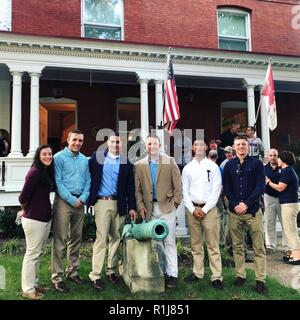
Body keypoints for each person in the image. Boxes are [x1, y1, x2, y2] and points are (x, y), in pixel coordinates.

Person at [86, 134, 136, 290]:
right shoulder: (96, 158)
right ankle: (95, 275)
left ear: (122, 145)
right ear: (107, 143)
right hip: (102, 202)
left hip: (120, 204)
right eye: (113, 142)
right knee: (101, 239)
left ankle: (111, 270)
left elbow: (130, 187)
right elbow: (86, 174)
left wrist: (132, 206)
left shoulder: (126, 163)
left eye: (118, 142)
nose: (115, 144)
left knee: (115, 238)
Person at [134, 135, 182, 288]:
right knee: (155, 241)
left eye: (154, 143)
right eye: (149, 144)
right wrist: (141, 207)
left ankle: (172, 274)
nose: (151, 146)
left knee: (169, 241)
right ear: (145, 146)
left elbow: (178, 185)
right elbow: (138, 190)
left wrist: (175, 203)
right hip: (149, 209)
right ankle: (160, 272)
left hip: (167, 206)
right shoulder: (139, 165)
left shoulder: (170, 161)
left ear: (159, 145)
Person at [223, 135, 267, 294]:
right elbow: (226, 187)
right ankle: (240, 275)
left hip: (253, 211)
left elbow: (260, 187)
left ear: (248, 146)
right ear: (234, 147)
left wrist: (246, 204)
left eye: (243, 144)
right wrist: (235, 204)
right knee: (237, 246)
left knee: (258, 246)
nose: (241, 147)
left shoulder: (257, 164)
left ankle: (260, 279)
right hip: (235, 212)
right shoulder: (229, 165)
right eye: (238, 144)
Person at [51, 129, 91, 292]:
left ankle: (73, 272)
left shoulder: (84, 160)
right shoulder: (58, 158)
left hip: (80, 202)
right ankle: (57, 277)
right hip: (63, 201)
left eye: (80, 140)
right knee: (60, 240)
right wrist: (72, 199)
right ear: (67, 140)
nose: (77, 143)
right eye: (74, 140)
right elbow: (58, 182)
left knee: (76, 238)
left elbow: (88, 180)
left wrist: (83, 197)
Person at [182, 138, 223, 290]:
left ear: (206, 147)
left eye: (202, 144)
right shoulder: (187, 168)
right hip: (192, 208)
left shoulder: (213, 166)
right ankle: (197, 273)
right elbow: (184, 190)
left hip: (209, 209)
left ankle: (217, 276)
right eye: (196, 144)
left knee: (212, 244)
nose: (199, 147)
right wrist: (193, 209)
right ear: (193, 148)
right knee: (196, 243)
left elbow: (216, 189)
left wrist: (204, 210)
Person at [19, 144, 56, 300]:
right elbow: (22, 197)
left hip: (45, 219)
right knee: (32, 254)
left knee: (37, 253)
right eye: (44, 154)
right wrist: (26, 211)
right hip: (34, 220)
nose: (48, 156)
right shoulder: (34, 172)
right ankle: (27, 289)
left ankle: (34, 284)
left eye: (50, 154)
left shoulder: (45, 172)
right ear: (38, 156)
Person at [265, 150, 300, 264]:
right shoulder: (288, 170)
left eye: (278, 158)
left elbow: (280, 188)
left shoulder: (287, 171)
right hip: (289, 204)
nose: (277, 159)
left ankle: (297, 256)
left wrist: (269, 182)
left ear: (283, 160)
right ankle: (294, 255)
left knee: (291, 231)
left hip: (289, 204)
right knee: (291, 230)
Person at [264, 149, 289, 254]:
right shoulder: (263, 168)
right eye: (271, 155)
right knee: (269, 222)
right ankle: (270, 245)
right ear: (267, 156)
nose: (273, 157)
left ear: (278, 156)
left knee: (284, 222)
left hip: (281, 198)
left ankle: (287, 246)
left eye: (275, 155)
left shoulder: (282, 168)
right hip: (268, 197)